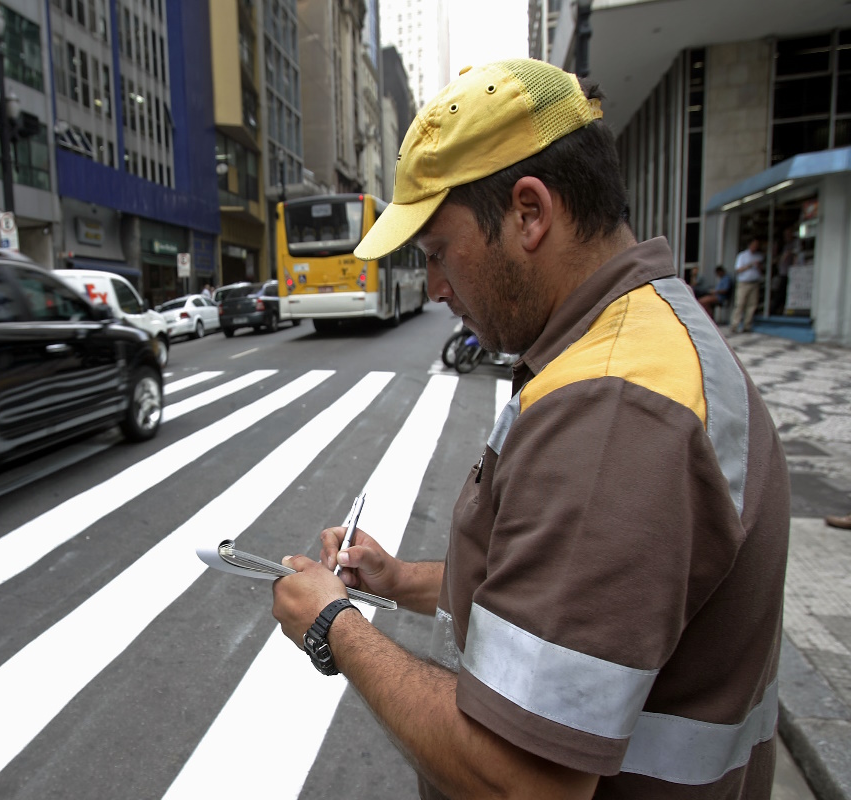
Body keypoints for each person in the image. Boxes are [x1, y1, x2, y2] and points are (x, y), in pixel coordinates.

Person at [271, 59, 789, 799]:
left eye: (439, 254)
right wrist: (399, 581)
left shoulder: (611, 413)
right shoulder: (637, 336)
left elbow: (520, 781)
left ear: (529, 213)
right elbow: (566, 606)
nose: (438, 289)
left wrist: (336, 627)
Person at [730, 238, 764, 334]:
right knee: (740, 304)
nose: (755, 247)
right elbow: (738, 269)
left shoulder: (759, 256)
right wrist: (749, 266)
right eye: (754, 245)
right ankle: (735, 325)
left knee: (752, 305)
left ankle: (747, 325)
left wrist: (758, 266)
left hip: (754, 283)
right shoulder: (743, 256)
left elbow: (763, 270)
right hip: (743, 283)